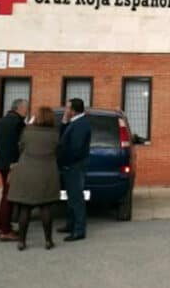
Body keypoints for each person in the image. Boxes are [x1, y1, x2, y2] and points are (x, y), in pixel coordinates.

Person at [6, 106, 60, 250]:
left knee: (25, 208)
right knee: (46, 208)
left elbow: (21, 148)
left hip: (27, 172)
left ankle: (22, 241)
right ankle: (48, 241)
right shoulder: (55, 133)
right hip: (47, 173)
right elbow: (57, 151)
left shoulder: (27, 131)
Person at [0, 98, 27, 242]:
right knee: (9, 197)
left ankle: (1, 227)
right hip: (12, 165)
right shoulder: (18, 123)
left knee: (5, 195)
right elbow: (20, 145)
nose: (26, 111)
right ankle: (5, 231)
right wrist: (15, 162)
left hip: (1, 163)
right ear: (19, 108)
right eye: (26, 108)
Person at [57, 98, 91, 242]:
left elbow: (75, 149)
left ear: (73, 110)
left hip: (74, 166)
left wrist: (65, 162)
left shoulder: (81, 124)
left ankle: (79, 230)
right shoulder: (74, 122)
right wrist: (64, 122)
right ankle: (70, 224)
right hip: (71, 166)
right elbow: (63, 137)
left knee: (76, 199)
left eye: (67, 108)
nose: (65, 110)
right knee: (70, 197)